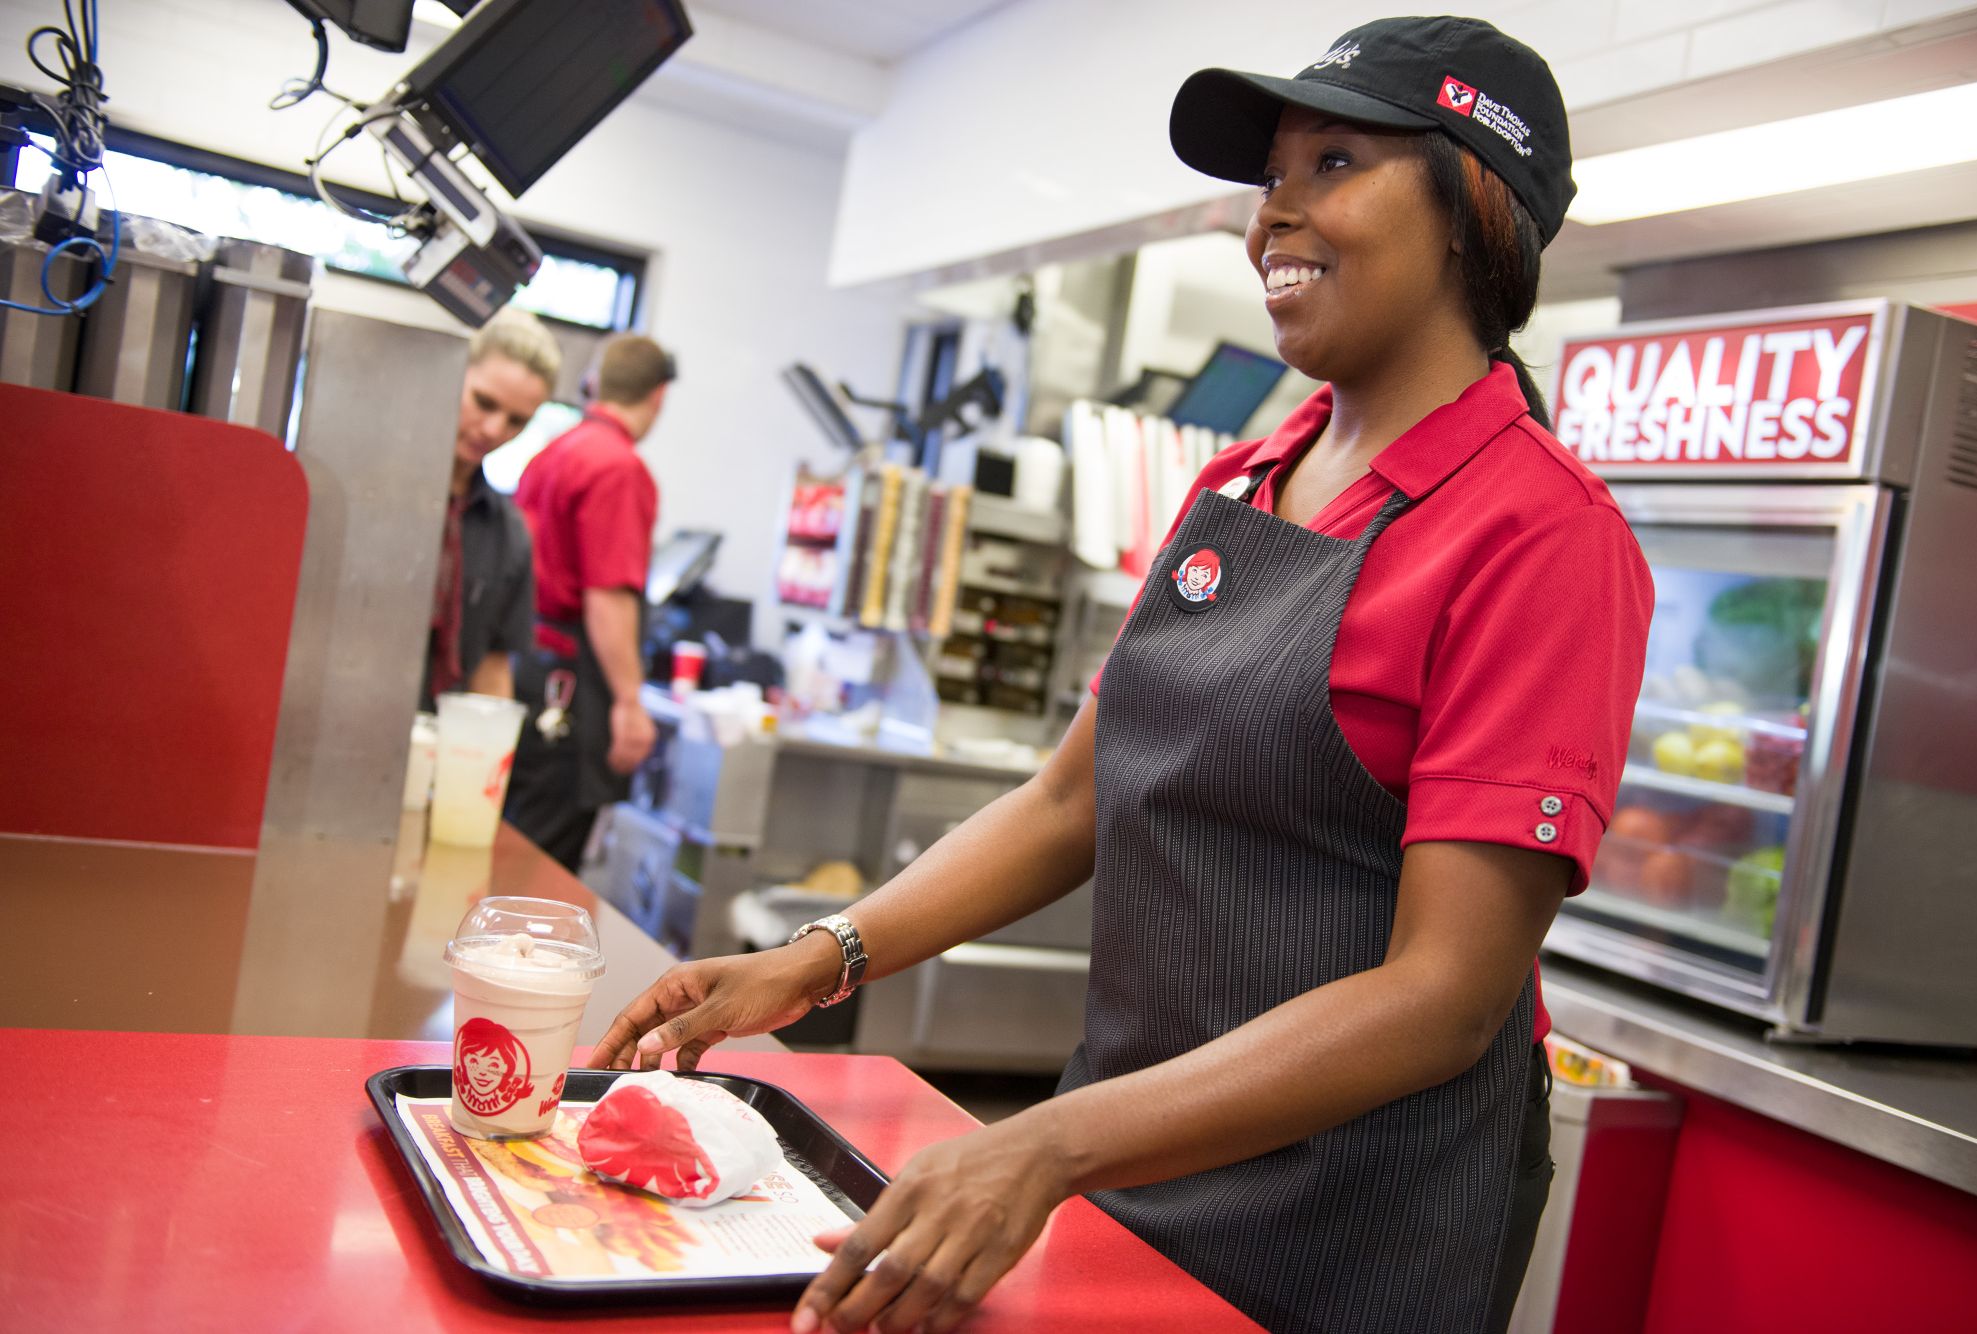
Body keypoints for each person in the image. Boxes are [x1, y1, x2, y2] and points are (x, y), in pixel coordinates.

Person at [589, 16, 1653, 1334]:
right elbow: (1065, 801)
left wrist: (1052, 1141)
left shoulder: (1538, 534)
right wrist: (815, 958)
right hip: (1133, 1155)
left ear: (1470, 208)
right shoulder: (1241, 482)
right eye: (1272, 176)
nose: (1276, 217)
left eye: (1333, 163)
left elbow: (1446, 996)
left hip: (1355, 1225)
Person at [504, 335, 677, 870]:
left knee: (511, 840)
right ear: (659, 396)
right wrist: (629, 701)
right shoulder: (619, 468)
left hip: (528, 667)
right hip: (570, 688)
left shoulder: (554, 452)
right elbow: (608, 598)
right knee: (540, 863)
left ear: (594, 385)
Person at [422, 308, 561, 711]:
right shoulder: (377, 491)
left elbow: (493, 670)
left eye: (517, 421)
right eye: (484, 403)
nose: (494, 429)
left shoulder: (507, 533)